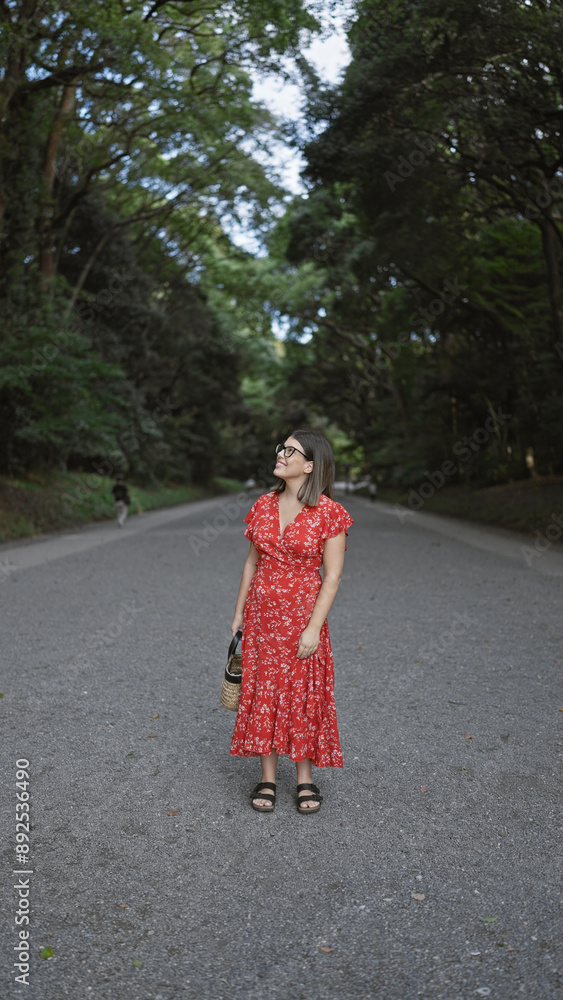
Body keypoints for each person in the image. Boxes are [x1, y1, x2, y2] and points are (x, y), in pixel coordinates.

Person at [230, 429, 353, 814]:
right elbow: (252, 562)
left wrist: (315, 626)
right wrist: (238, 613)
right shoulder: (263, 504)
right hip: (262, 615)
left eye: (290, 450)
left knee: (302, 693)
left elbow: (331, 576)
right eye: (280, 448)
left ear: (310, 465)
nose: (280, 454)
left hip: (302, 616)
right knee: (263, 690)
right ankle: (267, 777)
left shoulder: (330, 513)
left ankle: (304, 779)